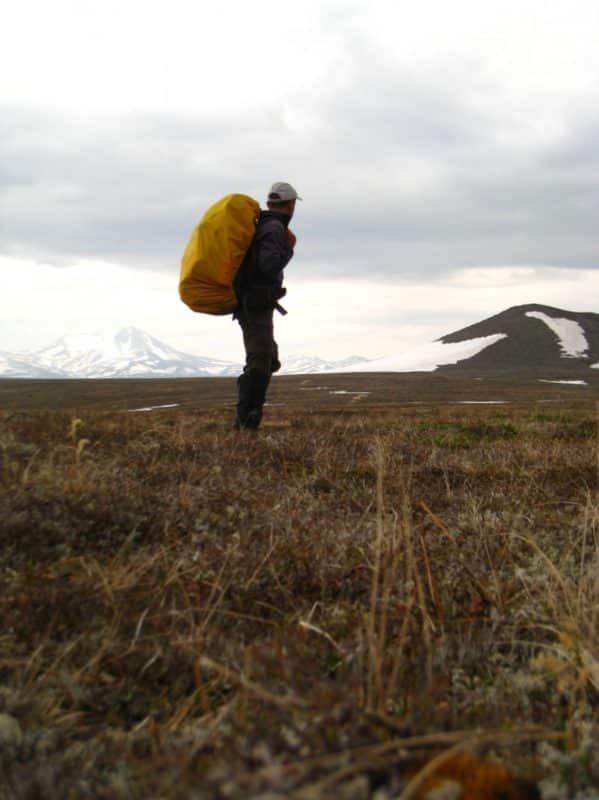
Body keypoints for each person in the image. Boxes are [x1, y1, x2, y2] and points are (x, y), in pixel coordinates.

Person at [232, 181, 301, 430]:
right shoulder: (274, 229)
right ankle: (245, 425)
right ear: (291, 204)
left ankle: (246, 420)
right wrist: (289, 249)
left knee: (268, 359)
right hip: (255, 305)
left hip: (252, 303)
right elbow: (269, 265)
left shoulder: (262, 225)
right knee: (260, 362)